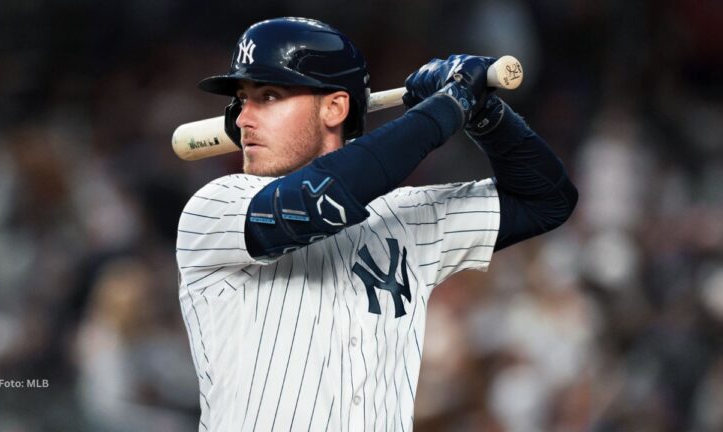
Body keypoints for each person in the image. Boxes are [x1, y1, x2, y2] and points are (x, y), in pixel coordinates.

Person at [176, 17, 577, 432]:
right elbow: (316, 202)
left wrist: (485, 114)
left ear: (334, 107)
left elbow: (546, 200)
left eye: (270, 96)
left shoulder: (404, 215)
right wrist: (447, 106)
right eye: (243, 99)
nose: (243, 119)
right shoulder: (215, 208)